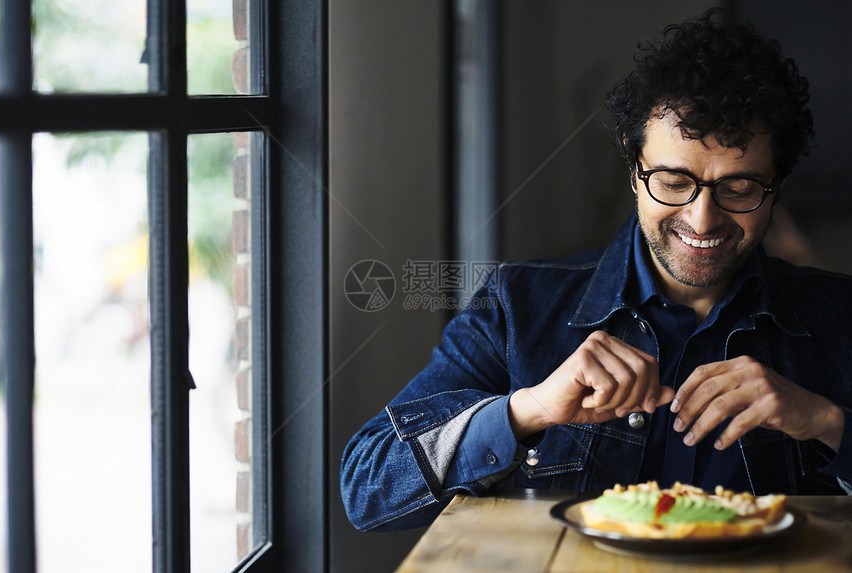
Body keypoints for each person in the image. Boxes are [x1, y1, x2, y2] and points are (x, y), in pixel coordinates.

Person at [340, 10, 852, 532]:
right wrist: (528, 411)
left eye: (738, 188)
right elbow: (368, 488)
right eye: (674, 182)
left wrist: (828, 424)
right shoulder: (517, 304)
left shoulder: (839, 317)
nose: (703, 218)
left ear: (777, 187)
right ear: (634, 170)